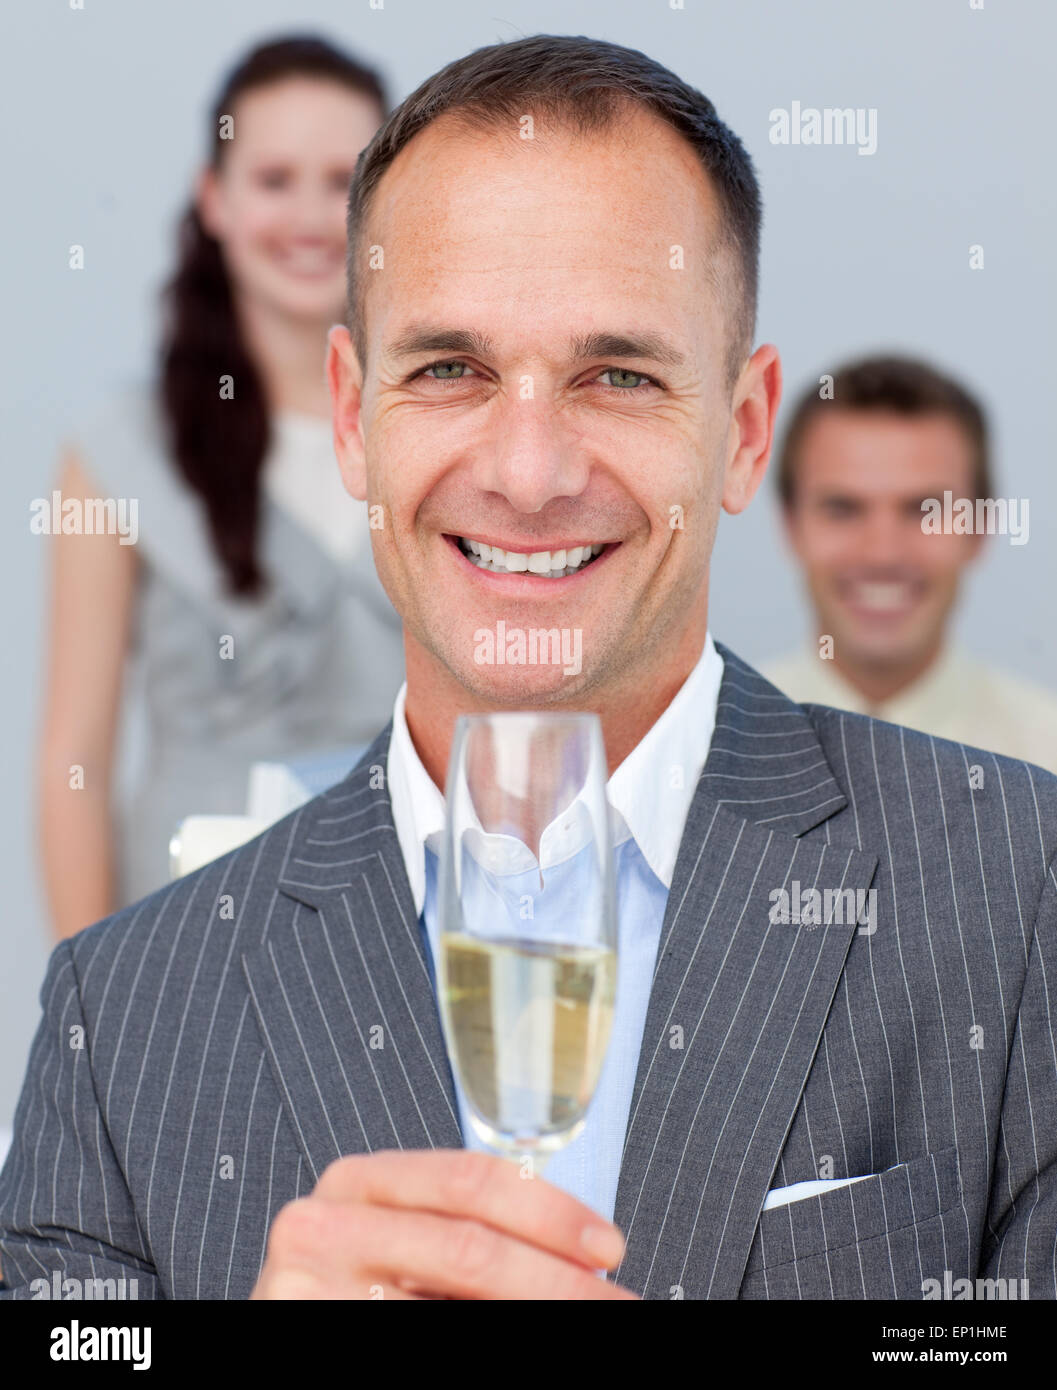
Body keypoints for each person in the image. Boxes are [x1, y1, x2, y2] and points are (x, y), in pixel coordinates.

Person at [2, 34, 1055, 1302]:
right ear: (353, 416)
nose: (528, 470)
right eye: (450, 369)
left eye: (618, 374)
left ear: (742, 429)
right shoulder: (119, 1015)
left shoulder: (1020, 889)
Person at [37, 36, 405, 938]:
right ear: (216, 201)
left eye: (345, 180)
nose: (314, 216)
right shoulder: (122, 451)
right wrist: (90, 1007)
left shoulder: (451, 428)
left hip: (407, 938)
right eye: (275, 179)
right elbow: (73, 758)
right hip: (189, 942)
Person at [762, 355, 1057, 773]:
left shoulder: (1048, 759)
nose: (882, 553)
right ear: (791, 525)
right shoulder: (701, 751)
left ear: (979, 527)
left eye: (925, 509)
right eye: (843, 508)